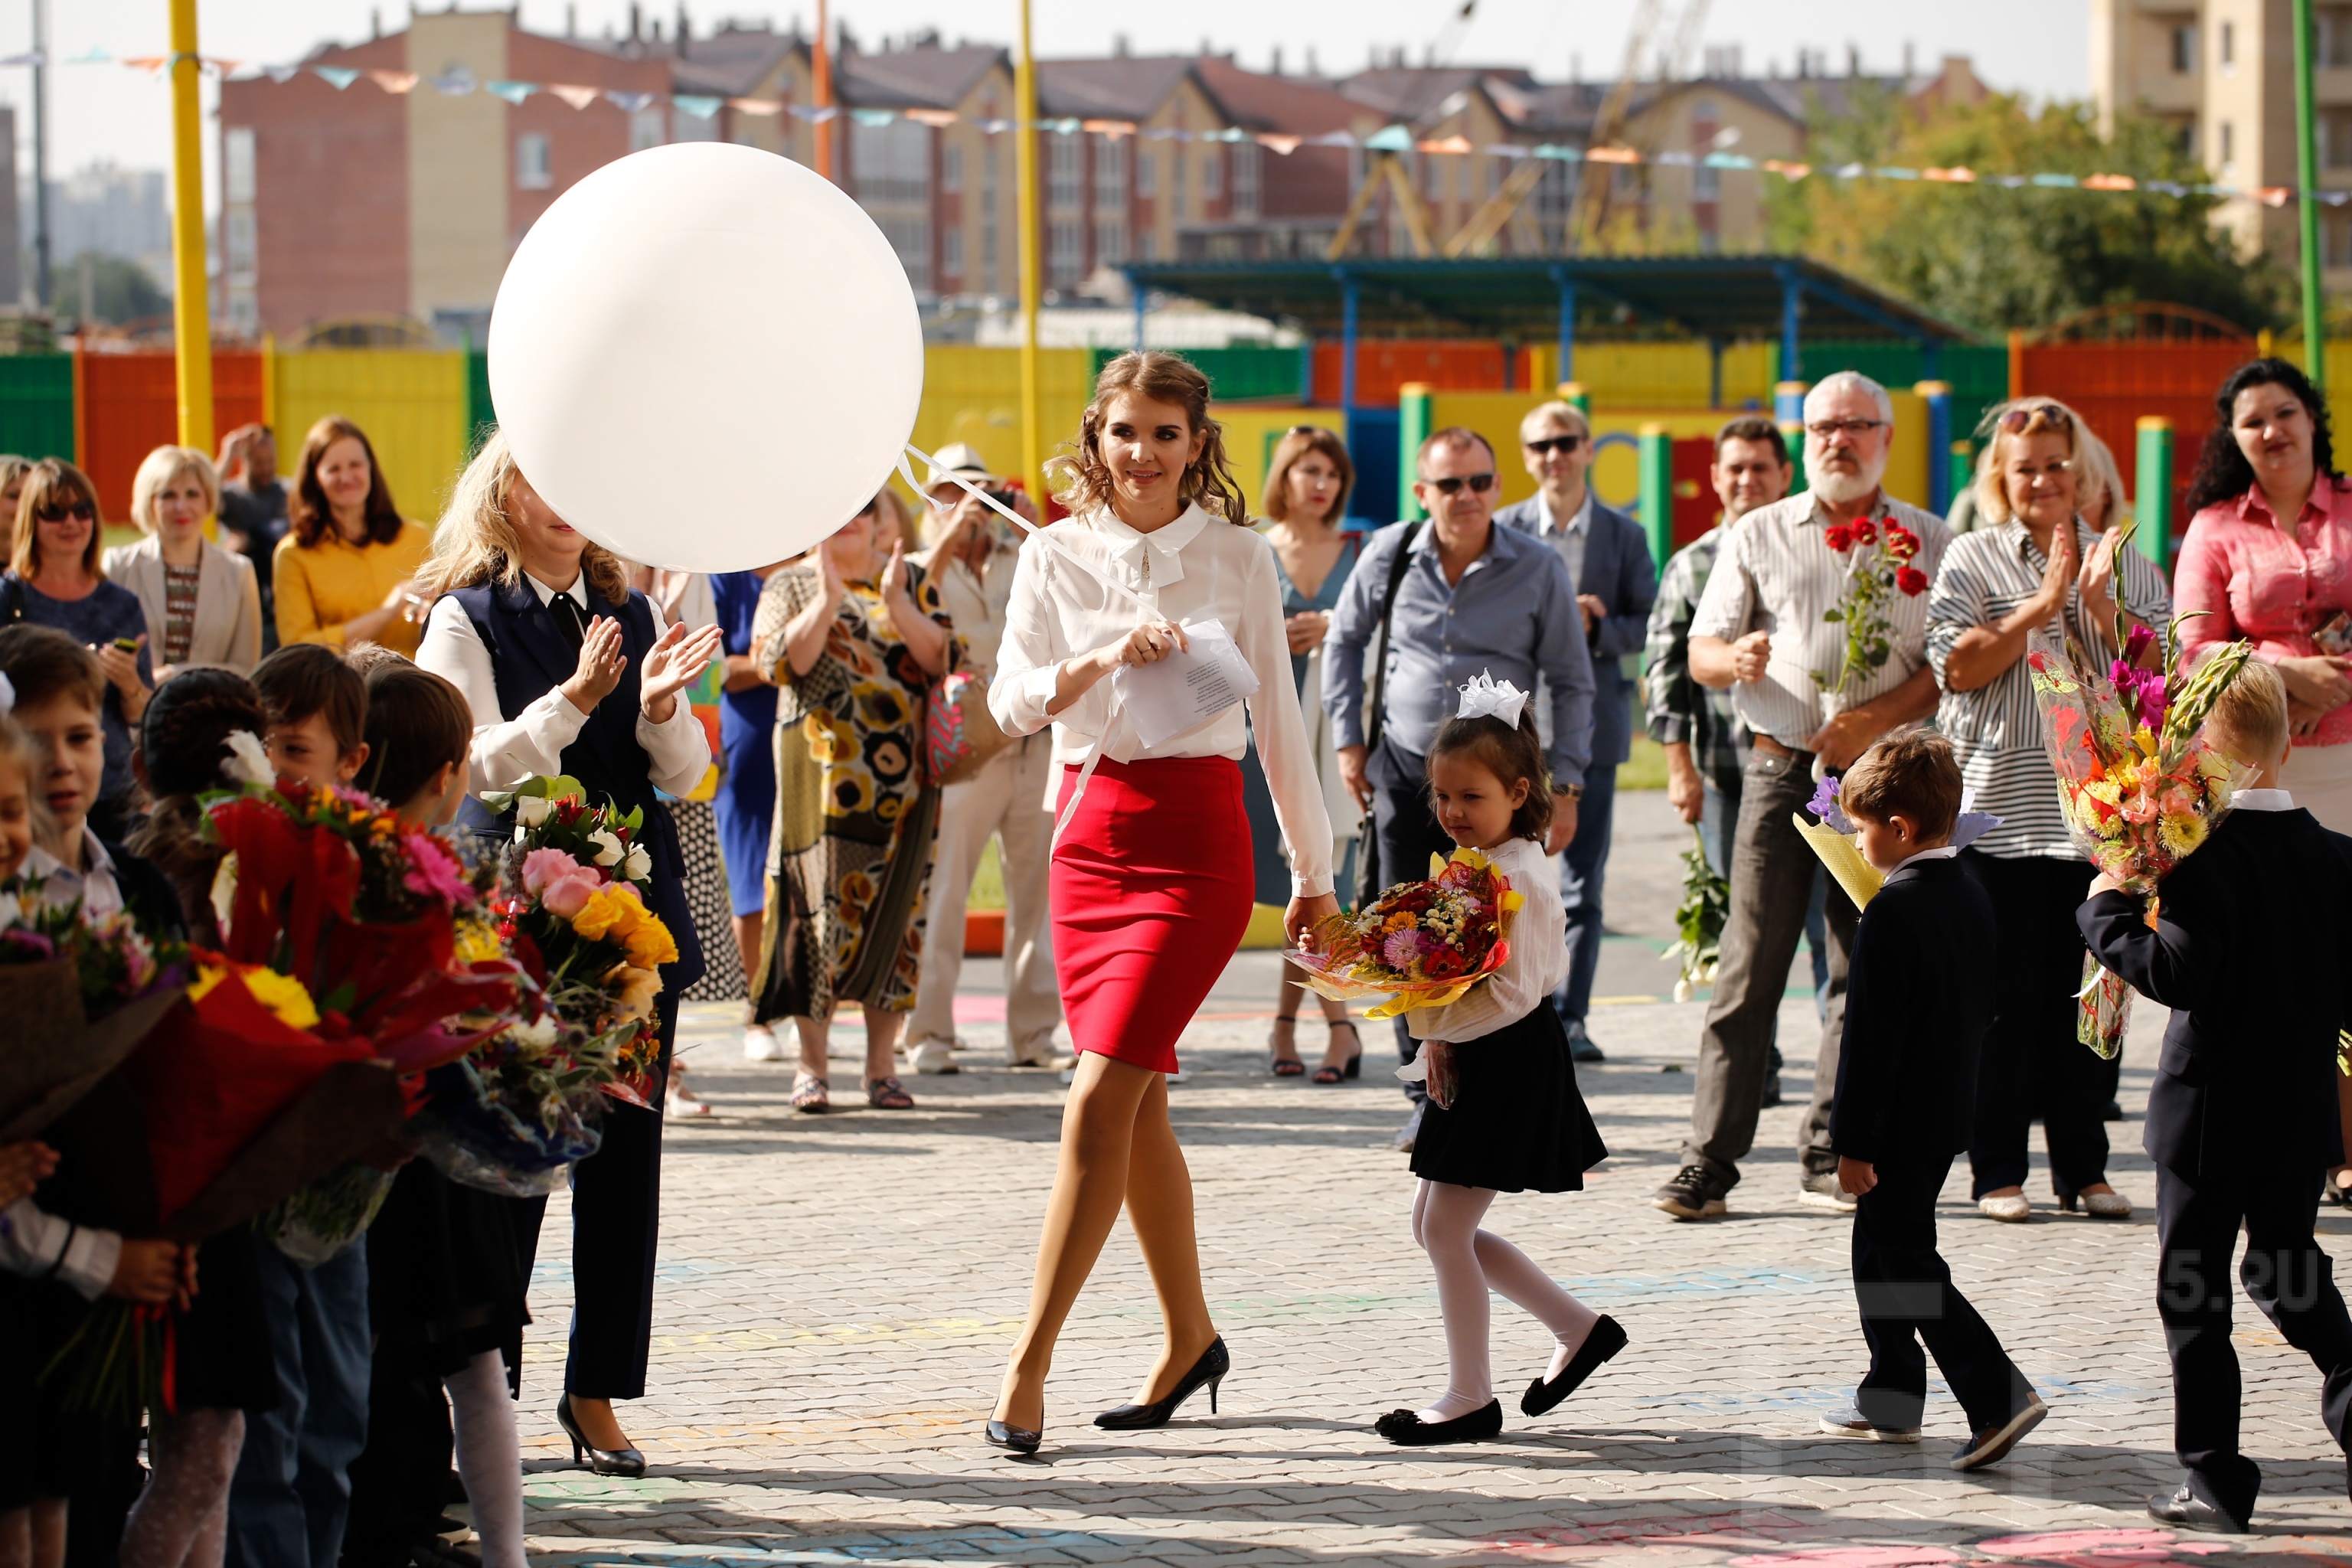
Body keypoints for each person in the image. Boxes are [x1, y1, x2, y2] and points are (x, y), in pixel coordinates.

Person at [982, 351, 1334, 1454]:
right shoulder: (1052, 550)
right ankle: (1191, 1337)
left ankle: (1025, 1365)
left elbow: (1277, 720)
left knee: (1097, 1098)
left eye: (1166, 435)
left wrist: (1316, 877)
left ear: (1198, 445)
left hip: (1197, 850)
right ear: (1097, 435)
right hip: (1087, 840)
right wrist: (1091, 662)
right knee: (1138, 1111)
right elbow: (1009, 702)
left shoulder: (1238, 556)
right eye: (1125, 432)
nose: (1144, 455)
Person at [414, 430, 717, 1476]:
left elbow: (683, 774)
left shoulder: (630, 608)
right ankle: (479, 1393)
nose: (563, 501)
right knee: (508, 1163)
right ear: (503, 494)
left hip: (626, 918)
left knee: (622, 1162)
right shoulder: (467, 616)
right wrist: (576, 702)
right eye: (541, 478)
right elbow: (469, 766)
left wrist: (665, 707)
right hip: (520, 926)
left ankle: (595, 1392)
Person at [1658, 371, 1951, 1221]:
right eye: (1824, 425)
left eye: (1858, 424)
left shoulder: (1928, 539)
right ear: (1806, 436)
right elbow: (1699, 651)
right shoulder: (1755, 531)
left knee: (1862, 973)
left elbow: (1946, 670)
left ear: (1887, 438)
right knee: (1750, 967)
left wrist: (1872, 721)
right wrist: (1734, 659)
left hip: (1886, 780)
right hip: (1782, 767)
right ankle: (1707, 1161)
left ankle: (1832, 1148)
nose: (1839, 439)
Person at [2079, 660, 2352, 1534]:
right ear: (2287, 742)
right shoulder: (2340, 856)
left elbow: (2177, 972)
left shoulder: (2204, 860)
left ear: (2195, 748)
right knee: (2287, 1267)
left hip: (2209, 1119)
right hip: (2300, 1110)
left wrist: (2107, 911)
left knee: (2193, 1289)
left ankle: (2214, 1471)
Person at [1928, 398, 2168, 1224]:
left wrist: (2100, 611)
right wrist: (2042, 604)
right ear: (2001, 477)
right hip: (1997, 817)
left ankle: (2086, 1167)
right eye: (2023, 466)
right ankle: (1997, 1170)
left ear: (2084, 467)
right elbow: (1956, 669)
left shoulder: (2129, 562)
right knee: (2001, 1009)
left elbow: (2158, 687)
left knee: (2092, 1002)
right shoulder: (1973, 556)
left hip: (2100, 825)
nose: (2042, 479)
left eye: (2056, 463)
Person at [1324, 428, 1596, 1149]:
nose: (1466, 497)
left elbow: (1571, 679)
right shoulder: (1388, 553)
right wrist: (1350, 740)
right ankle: (1423, 1088)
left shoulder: (1536, 567)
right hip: (1405, 770)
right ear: (1423, 493)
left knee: (1490, 937)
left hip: (1495, 794)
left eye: (1479, 482)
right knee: (1403, 939)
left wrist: (1563, 784)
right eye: (1450, 485)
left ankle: (1482, 1080)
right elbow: (1344, 642)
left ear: (1498, 487)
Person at [1377, 682, 1618, 1447]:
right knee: (1434, 1225)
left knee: (1444, 1228)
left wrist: (1430, 1025)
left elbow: (1515, 993)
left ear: (1519, 792)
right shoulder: (1478, 863)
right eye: (1442, 794)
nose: (1451, 810)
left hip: (1509, 1057)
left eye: (1470, 795)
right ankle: (1577, 1327)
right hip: (1476, 1052)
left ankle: (1470, 1395)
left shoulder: (1519, 876)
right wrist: (1436, 1029)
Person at [0, 699, 203, 1568]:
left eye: (12, 813)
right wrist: (101, 1256)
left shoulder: (58, 921)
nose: (12, 834)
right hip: (44, 1268)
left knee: (54, 1510)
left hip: (60, 1280)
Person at [340, 660, 530, 1568]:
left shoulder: (337, 861)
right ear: (453, 773)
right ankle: (505, 1555)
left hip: (368, 1164)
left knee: (372, 1357)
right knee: (475, 1369)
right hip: (442, 1169)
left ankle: (380, 1529)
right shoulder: (443, 875)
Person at [1823, 727, 2048, 1465]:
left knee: (1907, 1258)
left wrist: (1852, 1143)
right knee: (1877, 1247)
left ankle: (1997, 1397)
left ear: (1899, 828)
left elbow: (1872, 1043)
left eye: (1859, 829)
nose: (1853, 843)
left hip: (1893, 1124)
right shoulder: (1970, 892)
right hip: (1947, 1111)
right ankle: (1891, 1393)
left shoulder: (1892, 910)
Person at [228, 646, 377, 1568]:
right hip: (244, 1176)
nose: (273, 769)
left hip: (340, 1181)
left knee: (337, 1406)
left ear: (351, 762)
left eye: (293, 749)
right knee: (266, 1405)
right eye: (260, 745)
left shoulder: (384, 865)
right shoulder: (226, 852)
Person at [749, 493, 955, 1112]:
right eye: (834, 513)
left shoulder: (910, 579)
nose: (850, 523)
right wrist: (826, 600)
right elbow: (776, 663)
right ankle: (812, 1068)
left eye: (861, 511)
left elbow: (946, 659)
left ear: (878, 521)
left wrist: (896, 604)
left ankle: (881, 1068)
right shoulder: (789, 583)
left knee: (898, 919)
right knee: (814, 921)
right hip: (819, 792)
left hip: (906, 785)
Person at [1645, 417, 1808, 1104]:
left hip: (1816, 773)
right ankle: (1755, 1068)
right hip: (1727, 776)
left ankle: (1840, 1061)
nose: (1747, 480)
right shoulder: (1691, 565)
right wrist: (1680, 770)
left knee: (1834, 931)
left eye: (1760, 468)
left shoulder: (1812, 555)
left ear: (1785, 476)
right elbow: (1665, 675)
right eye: (1734, 468)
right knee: (1745, 930)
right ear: (1715, 478)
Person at [1493, 400, 1657, 1064]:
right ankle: (1502, 1008)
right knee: (1504, 882)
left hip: (1592, 734)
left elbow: (1646, 625)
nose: (1555, 455)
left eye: (1566, 442)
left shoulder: (1625, 536)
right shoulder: (1503, 529)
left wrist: (1594, 626)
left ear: (1590, 449)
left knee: (1584, 884)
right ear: (1527, 458)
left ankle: (1574, 1019)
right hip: (1509, 736)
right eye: (1541, 446)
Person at [906, 446, 1063, 1074]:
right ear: (930, 500)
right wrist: (951, 531)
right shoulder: (921, 562)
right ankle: (929, 1036)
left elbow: (1072, 596)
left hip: (1033, 743)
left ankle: (1034, 1037)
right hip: (964, 751)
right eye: (953, 490)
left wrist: (1034, 529)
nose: (971, 502)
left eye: (982, 489)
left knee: (1038, 897)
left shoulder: (1021, 554)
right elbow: (913, 601)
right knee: (944, 895)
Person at [1250, 426, 1366, 1080]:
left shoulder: (1363, 550)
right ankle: (1309, 1026)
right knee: (1300, 891)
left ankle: (1327, 1027)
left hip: (1337, 742)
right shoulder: (1255, 552)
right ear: (1285, 478)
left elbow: (1385, 632)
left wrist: (1336, 628)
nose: (1320, 485)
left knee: (1329, 886)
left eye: (1331, 474)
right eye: (1308, 471)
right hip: (1265, 738)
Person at [3, 459, 152, 841]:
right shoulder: (8, 596)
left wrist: (129, 682)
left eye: (82, 510)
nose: (70, 522)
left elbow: (139, 713)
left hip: (109, 784)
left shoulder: (122, 603)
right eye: (54, 512)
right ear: (30, 522)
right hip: (29, 781)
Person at [711, 559, 791, 1065]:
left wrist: (764, 660)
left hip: (813, 737)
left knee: (806, 883)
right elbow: (716, 668)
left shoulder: (810, 567)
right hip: (745, 746)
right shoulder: (724, 576)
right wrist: (780, 658)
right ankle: (758, 1014)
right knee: (750, 881)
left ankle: (803, 1007)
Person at [273, 416, 433, 658]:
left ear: (371, 469)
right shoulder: (292, 555)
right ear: (315, 478)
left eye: (355, 465)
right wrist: (387, 612)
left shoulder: (416, 537)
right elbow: (298, 649)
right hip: (340, 692)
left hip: (412, 687)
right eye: (333, 469)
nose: (346, 477)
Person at [108, 445, 265, 680]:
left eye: (192, 494)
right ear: (149, 501)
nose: (182, 507)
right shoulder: (118, 566)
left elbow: (245, 670)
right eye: (168, 495)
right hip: (133, 711)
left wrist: (174, 675)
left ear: (208, 500)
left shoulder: (239, 572)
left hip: (214, 711)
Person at [220, 423, 292, 654]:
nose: (266, 468)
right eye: (258, 462)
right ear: (243, 460)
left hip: (283, 598)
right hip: (247, 599)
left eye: (270, 460)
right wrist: (227, 453)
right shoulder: (232, 497)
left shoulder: (287, 492)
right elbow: (204, 494)